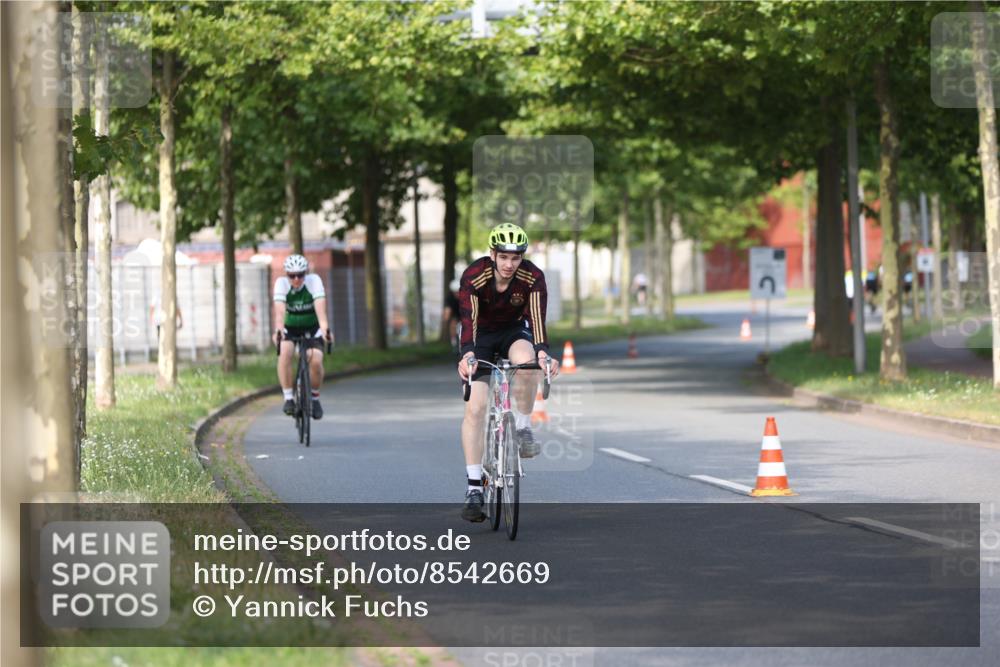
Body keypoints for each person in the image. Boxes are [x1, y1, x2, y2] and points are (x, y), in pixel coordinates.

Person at [456, 223, 560, 522]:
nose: (509, 264)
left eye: (515, 258)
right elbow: (468, 319)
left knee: (528, 365)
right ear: (493, 254)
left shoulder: (532, 277)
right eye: (503, 257)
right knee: (475, 408)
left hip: (514, 331)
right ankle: (475, 487)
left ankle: (524, 427)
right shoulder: (475, 275)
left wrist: (542, 352)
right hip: (479, 337)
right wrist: (467, 356)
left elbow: (538, 319)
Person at [272, 254, 332, 420]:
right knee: (285, 351)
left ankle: (314, 398)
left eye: (300, 274)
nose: (296, 279)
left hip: (311, 328)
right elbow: (279, 313)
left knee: (316, 360)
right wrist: (278, 330)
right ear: (286, 275)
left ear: (306, 273)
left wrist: (326, 329)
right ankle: (289, 398)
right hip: (289, 328)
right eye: (292, 275)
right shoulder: (281, 284)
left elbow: (321, 311)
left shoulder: (314, 281)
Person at [442, 279, 461, 354]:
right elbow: (447, 310)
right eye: (455, 292)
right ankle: (454, 341)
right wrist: (446, 320)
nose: (457, 294)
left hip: (465, 313)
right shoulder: (449, 298)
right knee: (453, 323)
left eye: (458, 291)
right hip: (455, 314)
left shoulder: (465, 295)